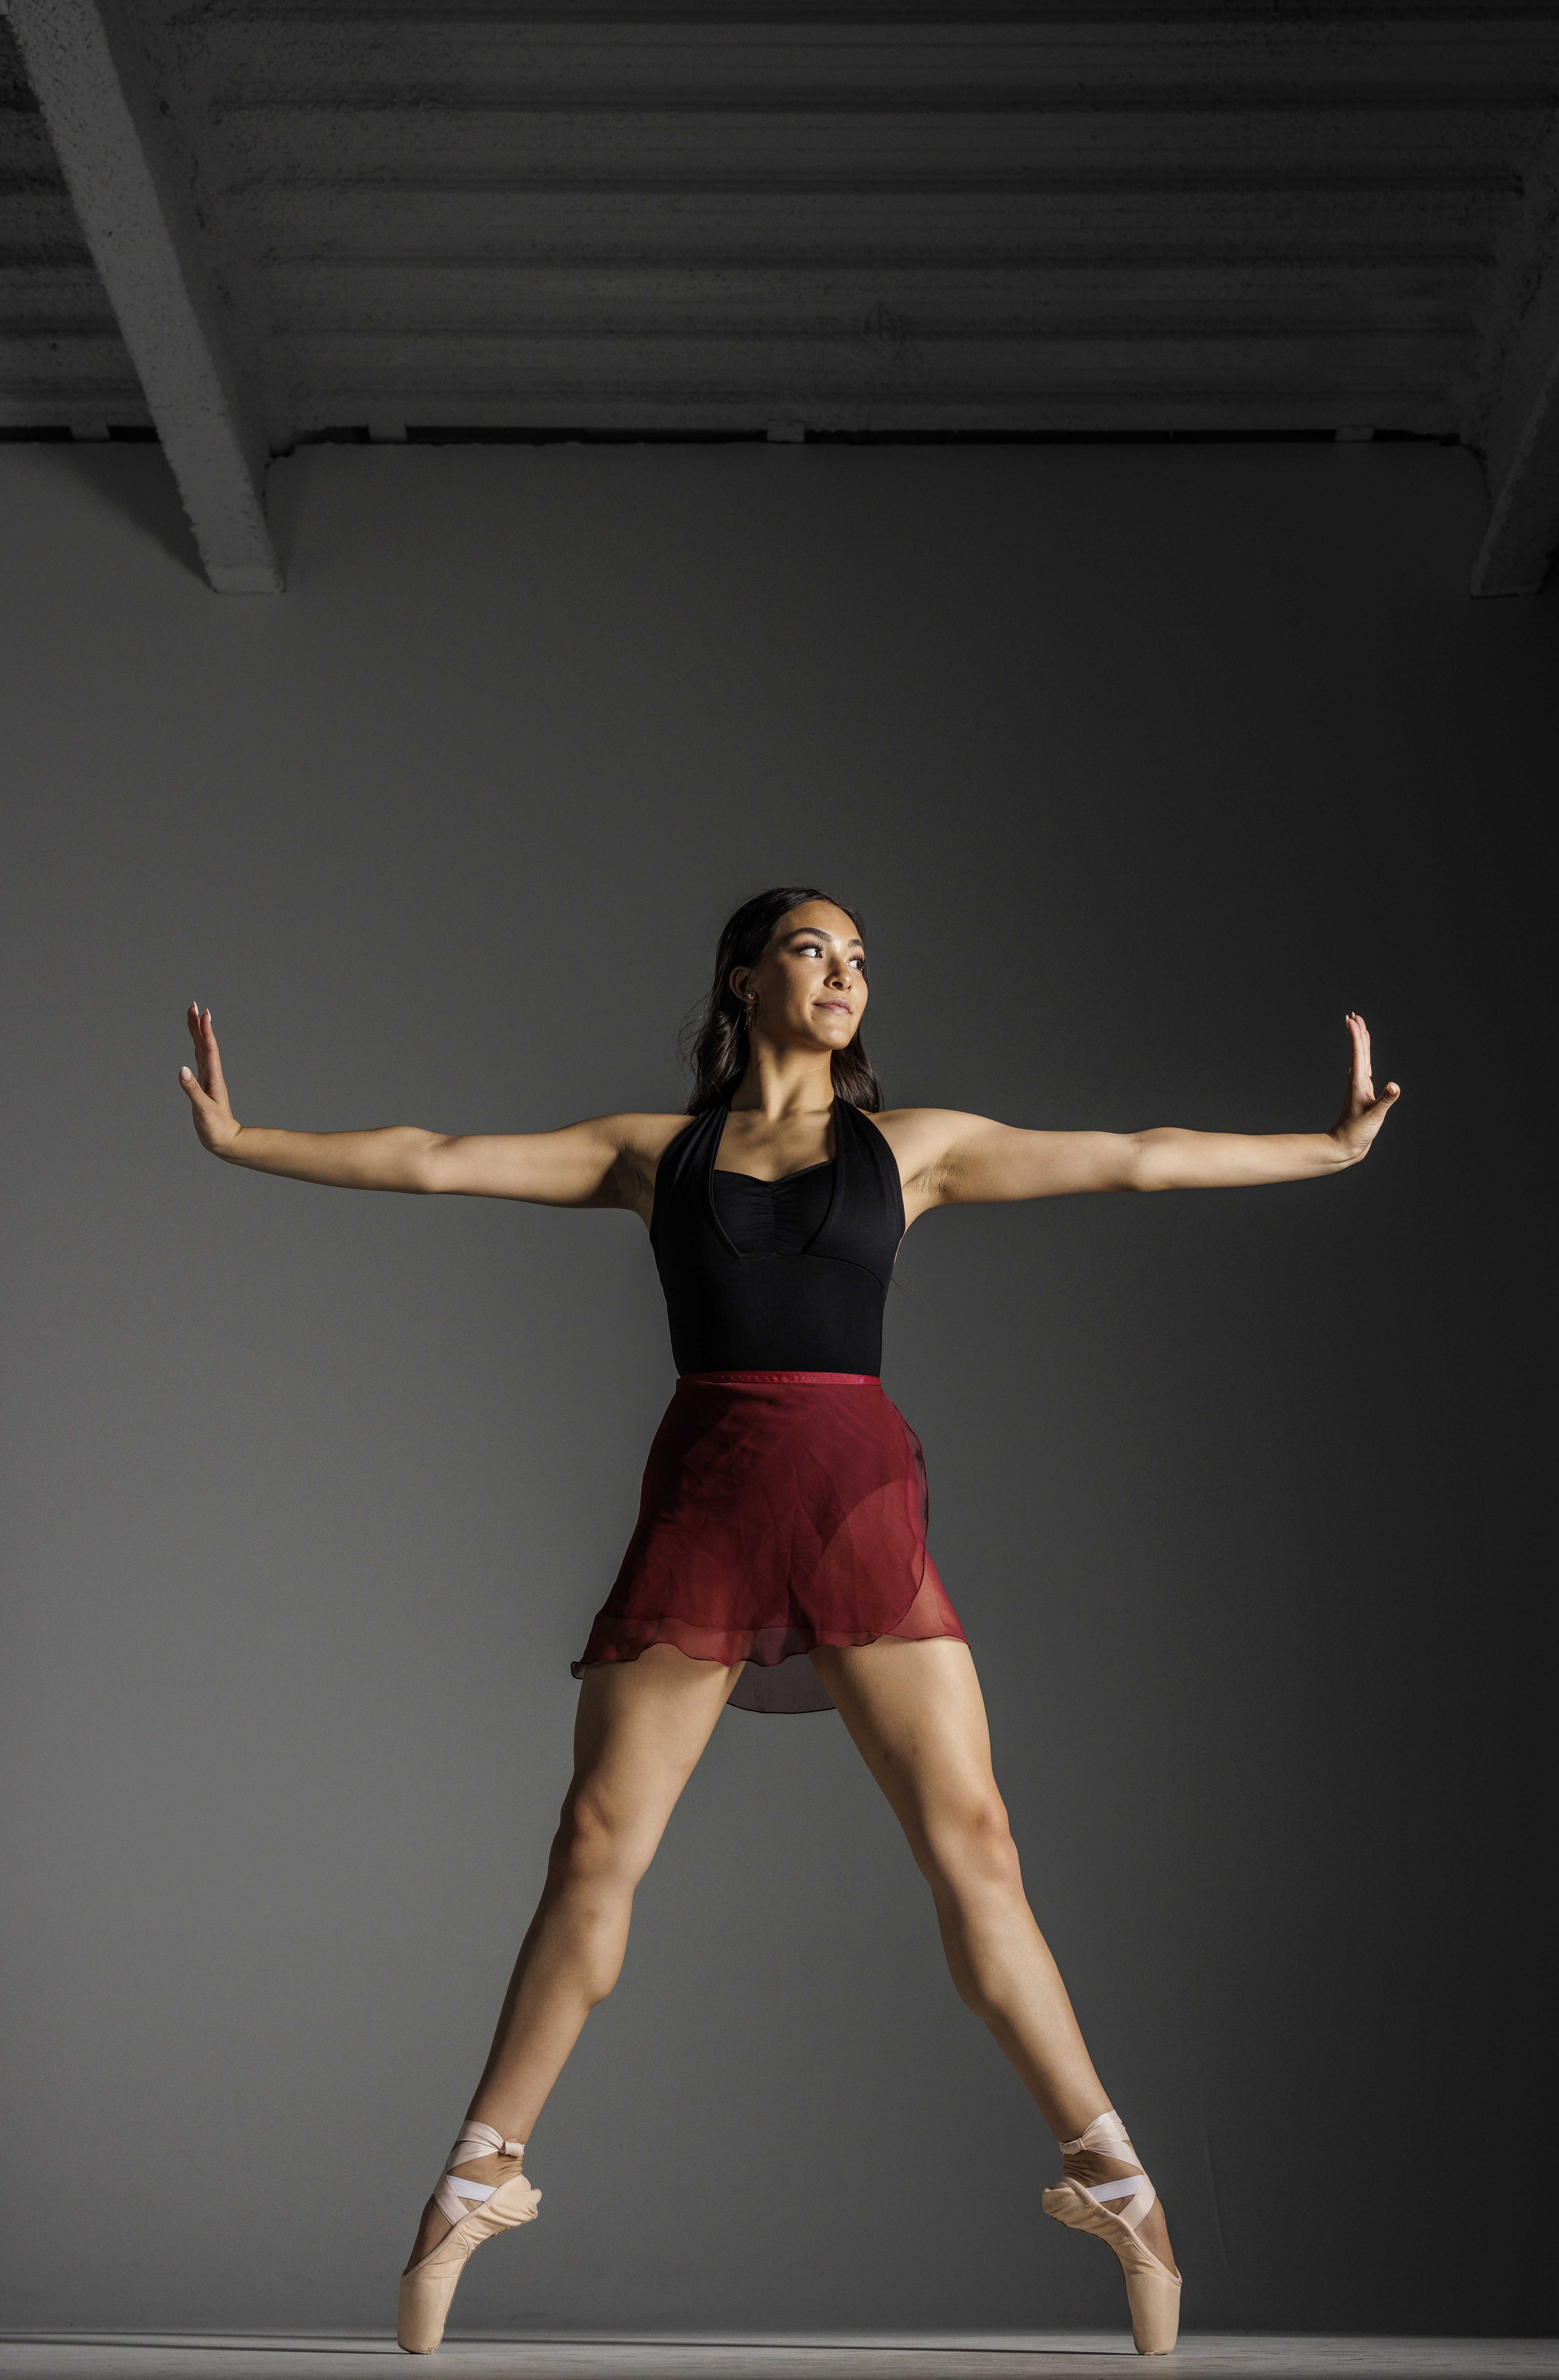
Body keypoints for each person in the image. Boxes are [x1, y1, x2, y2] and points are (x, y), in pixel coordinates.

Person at [178, 885, 1399, 2358]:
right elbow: (438, 1161)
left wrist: (1323, 1149)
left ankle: (1114, 2176)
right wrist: (249, 1142)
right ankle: (479, 2175)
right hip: (704, 1499)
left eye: (862, 959)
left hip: (854, 1501)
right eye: (815, 949)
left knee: (976, 1843)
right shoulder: (654, 1155)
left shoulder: (912, 1150)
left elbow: (1133, 1158)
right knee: (593, 1843)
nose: (845, 973)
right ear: (746, 975)